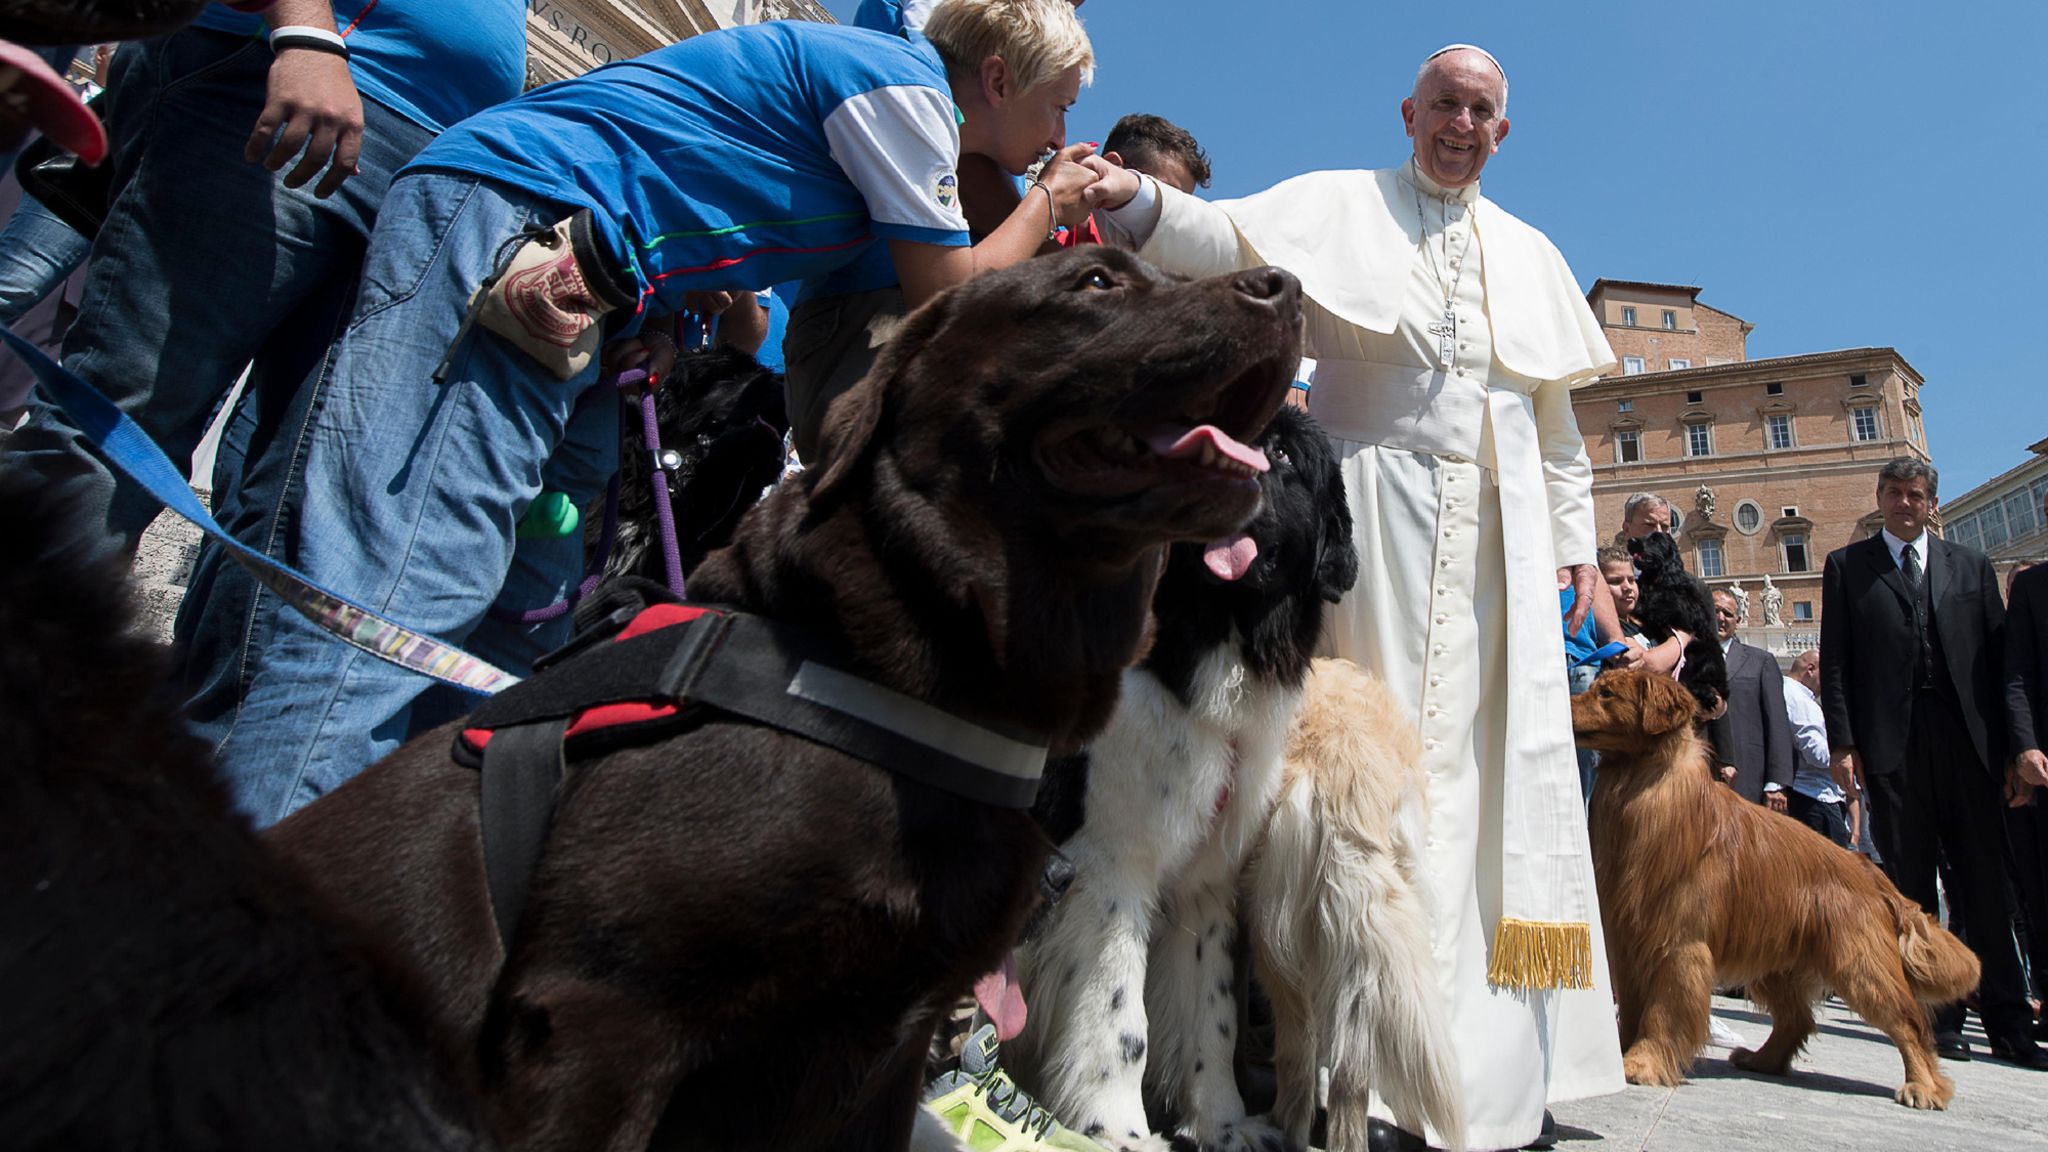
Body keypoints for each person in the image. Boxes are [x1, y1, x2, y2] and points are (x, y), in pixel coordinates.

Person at [206, 0, 1103, 826]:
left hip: (591, 285)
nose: (1059, 133)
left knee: (523, 608)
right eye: (1058, 105)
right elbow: (944, 299)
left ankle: (404, 868)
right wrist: (1046, 203)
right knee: (406, 577)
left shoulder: (879, 96)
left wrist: (664, 319)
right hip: (515, 221)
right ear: (996, 79)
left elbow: (697, 192)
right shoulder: (899, 89)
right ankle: (263, 917)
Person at [1083, 43, 1622, 1150]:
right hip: (1367, 516)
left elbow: (1557, 436)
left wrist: (1575, 554)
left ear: (1500, 131)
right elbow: (1226, 244)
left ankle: (1480, 1072)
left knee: (1482, 800)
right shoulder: (1338, 204)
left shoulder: (1531, 253)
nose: (1457, 125)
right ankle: (1334, 1064)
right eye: (1441, 105)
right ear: (1407, 113)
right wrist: (1132, 199)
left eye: (1478, 111)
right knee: (1341, 788)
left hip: (1496, 548)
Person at [1821, 457, 2044, 1067]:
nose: (1903, 504)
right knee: (1911, 890)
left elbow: (2000, 666)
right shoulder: (1847, 567)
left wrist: (2008, 752)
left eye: (1914, 495)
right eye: (1893, 494)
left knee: (1985, 888)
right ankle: (1935, 1018)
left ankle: (2008, 1020)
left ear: (1930, 503)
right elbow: (1835, 662)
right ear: (1880, 498)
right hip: (1893, 747)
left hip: (1967, 743)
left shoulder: (1968, 566)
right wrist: (1843, 745)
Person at [1707, 587, 1792, 807]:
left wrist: (1776, 782)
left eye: (1727, 613)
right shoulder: (1684, 659)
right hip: (1699, 777)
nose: (1720, 618)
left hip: (1748, 774)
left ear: (1738, 620)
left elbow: (1777, 723)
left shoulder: (1760, 661)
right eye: (1714, 611)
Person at [1782, 650, 1849, 846]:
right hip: (1815, 797)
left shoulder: (1792, 694)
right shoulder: (1797, 699)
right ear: (1810, 669)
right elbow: (1815, 753)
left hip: (1812, 795)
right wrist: (1844, 756)